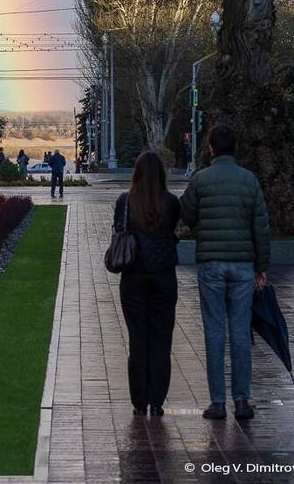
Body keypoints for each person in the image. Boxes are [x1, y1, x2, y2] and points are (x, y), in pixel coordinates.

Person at [180, 124, 270, 421]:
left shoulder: (200, 180)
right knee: (241, 333)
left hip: (211, 264)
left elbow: (188, 215)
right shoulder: (249, 180)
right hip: (244, 265)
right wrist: (261, 266)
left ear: (211, 148)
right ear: (235, 148)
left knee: (215, 331)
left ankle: (217, 402)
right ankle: (242, 401)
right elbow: (261, 226)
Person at [114, 151, 181, 417]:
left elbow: (118, 229)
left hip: (134, 277)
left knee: (138, 338)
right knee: (162, 339)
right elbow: (172, 230)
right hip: (164, 276)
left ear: (137, 173)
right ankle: (157, 400)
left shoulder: (126, 201)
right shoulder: (172, 202)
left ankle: (139, 401)